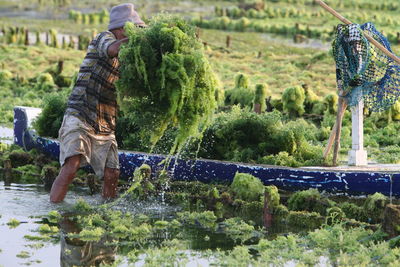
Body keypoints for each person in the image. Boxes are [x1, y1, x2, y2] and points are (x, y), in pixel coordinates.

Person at [50, 3, 146, 203]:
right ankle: (55, 211)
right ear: (122, 29)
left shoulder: (129, 57)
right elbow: (112, 49)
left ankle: (106, 212)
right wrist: (140, 40)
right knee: (72, 164)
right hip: (80, 114)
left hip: (105, 121)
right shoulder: (104, 38)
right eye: (134, 29)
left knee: (112, 173)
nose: (137, 33)